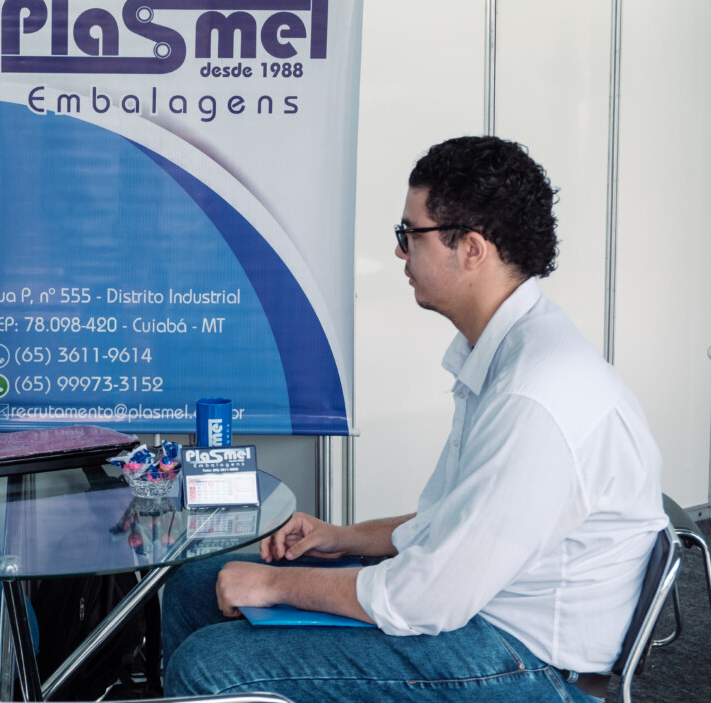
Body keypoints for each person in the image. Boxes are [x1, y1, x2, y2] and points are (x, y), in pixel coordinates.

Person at [162, 136, 667, 702]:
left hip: (526, 660)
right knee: (194, 588)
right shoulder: (508, 353)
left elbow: (428, 597)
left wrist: (275, 584)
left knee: (212, 665)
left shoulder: (536, 395)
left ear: (471, 248)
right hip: (482, 610)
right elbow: (456, 521)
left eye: (411, 233)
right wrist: (342, 539)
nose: (401, 252)